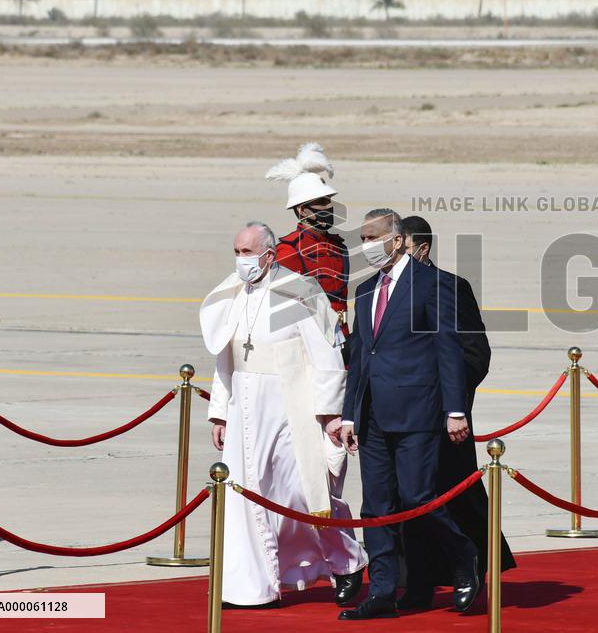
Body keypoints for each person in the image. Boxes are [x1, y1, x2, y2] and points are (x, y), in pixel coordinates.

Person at [200, 222, 367, 609]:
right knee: (243, 495)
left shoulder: (300, 291)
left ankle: (347, 561)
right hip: (244, 404)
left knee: (302, 494)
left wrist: (329, 415)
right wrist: (220, 412)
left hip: (290, 405)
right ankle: (249, 587)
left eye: (247, 252)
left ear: (269, 254)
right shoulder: (233, 294)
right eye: (237, 251)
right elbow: (226, 357)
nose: (240, 260)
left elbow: (326, 357)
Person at [338, 209, 480, 621]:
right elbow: (361, 357)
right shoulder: (365, 291)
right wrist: (350, 415)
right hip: (373, 417)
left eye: (372, 237)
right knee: (376, 506)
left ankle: (465, 554)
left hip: (419, 412)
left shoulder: (431, 284)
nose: (366, 246)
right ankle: (382, 591)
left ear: (397, 240)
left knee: (419, 497)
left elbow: (448, 349)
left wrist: (455, 410)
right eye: (362, 238)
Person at [398, 215, 516, 602]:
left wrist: (451, 403)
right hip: (399, 415)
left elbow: (475, 352)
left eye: (401, 244)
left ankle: (472, 564)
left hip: (443, 415)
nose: (392, 251)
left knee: (452, 492)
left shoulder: (450, 287)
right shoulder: (384, 289)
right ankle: (416, 581)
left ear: (422, 248)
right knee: (405, 498)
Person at [266, 143, 351, 358]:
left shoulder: (338, 245)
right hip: (309, 345)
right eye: (321, 202)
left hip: (341, 338)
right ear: (303, 209)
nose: (328, 208)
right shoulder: (288, 252)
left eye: (329, 201)